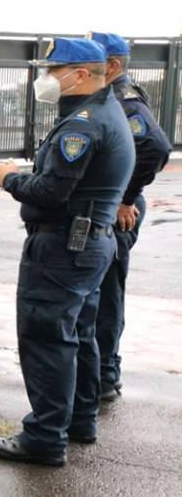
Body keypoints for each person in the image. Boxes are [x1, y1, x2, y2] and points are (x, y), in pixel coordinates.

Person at [0, 37, 133, 467]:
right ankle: (79, 421)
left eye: (53, 71)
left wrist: (7, 179)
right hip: (88, 244)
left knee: (47, 337)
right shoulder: (104, 112)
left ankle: (46, 437)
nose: (46, 79)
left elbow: (50, 192)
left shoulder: (84, 123)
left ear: (81, 75)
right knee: (79, 333)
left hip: (64, 247)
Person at [87, 32, 171, 402]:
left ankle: (105, 376)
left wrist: (125, 196)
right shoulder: (106, 96)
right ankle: (99, 373)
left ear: (113, 65)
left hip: (117, 211)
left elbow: (155, 146)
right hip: (108, 207)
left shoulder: (124, 99)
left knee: (106, 296)